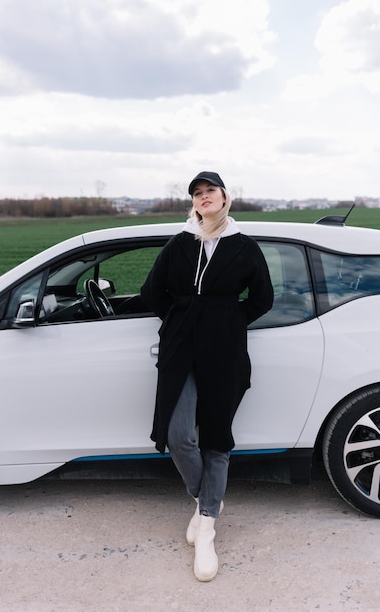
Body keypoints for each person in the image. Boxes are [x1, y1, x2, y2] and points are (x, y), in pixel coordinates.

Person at [140, 171, 274, 581]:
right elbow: (151, 293)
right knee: (178, 434)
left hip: (225, 351)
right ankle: (207, 501)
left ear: (223, 196)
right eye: (197, 194)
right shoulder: (179, 244)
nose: (203, 198)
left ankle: (208, 527)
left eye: (209, 191)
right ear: (193, 202)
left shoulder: (244, 247)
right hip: (181, 350)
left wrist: (227, 320)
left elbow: (263, 298)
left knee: (217, 436)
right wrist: (182, 320)